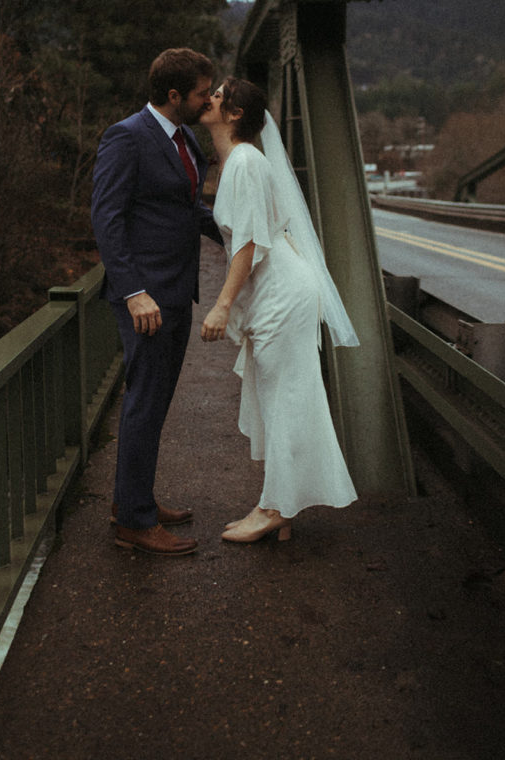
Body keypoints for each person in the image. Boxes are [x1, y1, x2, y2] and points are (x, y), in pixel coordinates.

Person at [200, 77, 359, 543]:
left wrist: (222, 306)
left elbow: (248, 244)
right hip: (277, 292)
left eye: (218, 93)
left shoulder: (246, 162)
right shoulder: (238, 161)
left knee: (286, 399)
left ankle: (276, 509)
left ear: (233, 114)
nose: (209, 96)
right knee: (280, 398)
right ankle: (277, 504)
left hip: (282, 294)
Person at [91, 47, 224, 555]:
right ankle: (135, 522)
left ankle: (133, 499)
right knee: (145, 402)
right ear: (174, 96)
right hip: (145, 298)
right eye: (199, 93)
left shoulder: (186, 137)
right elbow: (107, 218)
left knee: (156, 402)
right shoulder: (126, 137)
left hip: (176, 290)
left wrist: (242, 238)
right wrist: (133, 291)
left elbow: (190, 209)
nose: (207, 99)